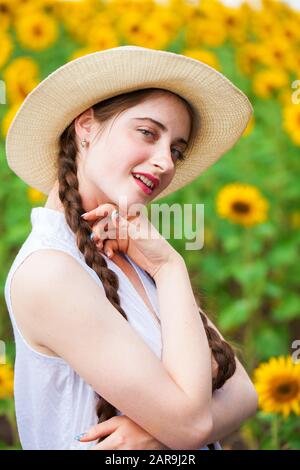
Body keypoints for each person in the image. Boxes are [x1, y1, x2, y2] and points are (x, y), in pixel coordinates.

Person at [4, 46, 258, 450]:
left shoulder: (134, 251)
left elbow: (244, 393)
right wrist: (171, 269)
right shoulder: (50, 270)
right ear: (85, 126)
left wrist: (150, 433)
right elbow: (192, 427)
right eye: (147, 133)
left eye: (176, 149)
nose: (165, 162)